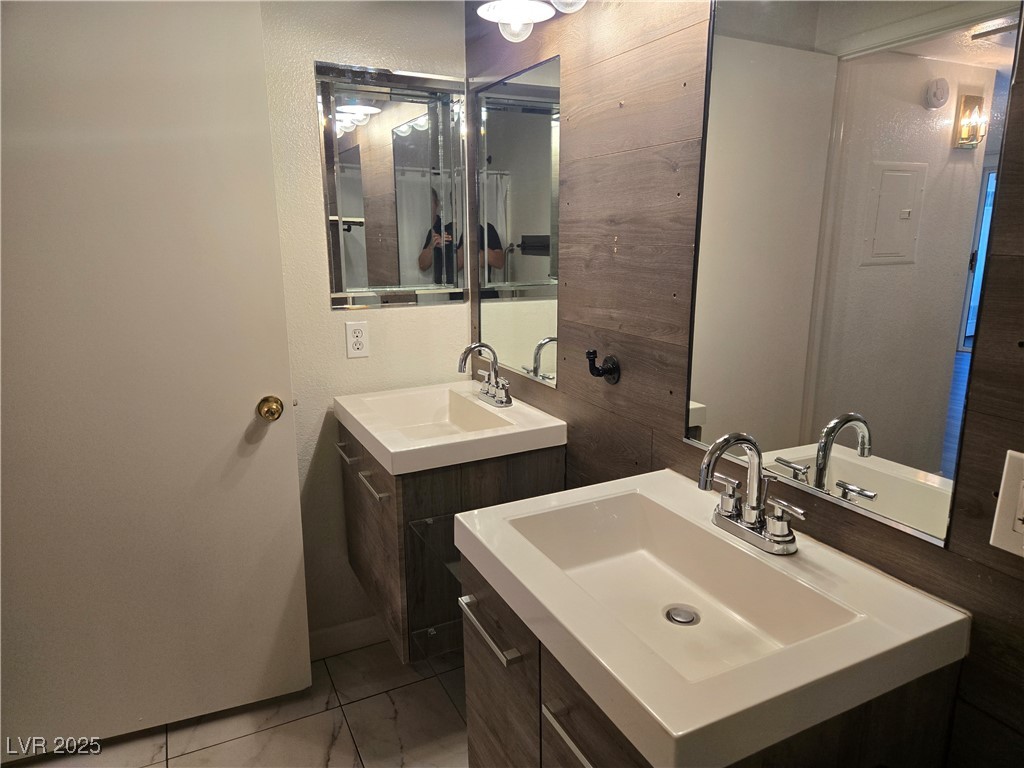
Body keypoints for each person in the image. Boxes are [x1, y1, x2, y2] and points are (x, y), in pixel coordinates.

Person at [418, 188, 507, 283]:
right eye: (457, 202)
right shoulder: (439, 231)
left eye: (465, 202)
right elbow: (423, 265)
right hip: (454, 295)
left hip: (484, 294)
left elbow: (500, 262)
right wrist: (431, 246)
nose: (462, 206)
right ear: (452, 205)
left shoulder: (485, 228)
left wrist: (479, 251)